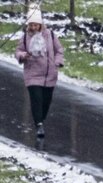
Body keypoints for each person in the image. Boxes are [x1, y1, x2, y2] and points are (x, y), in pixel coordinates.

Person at [15, 8, 63, 138]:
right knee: (36, 99)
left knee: (46, 101)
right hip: (32, 74)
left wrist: (57, 62)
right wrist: (23, 55)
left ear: (40, 24)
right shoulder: (25, 37)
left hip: (49, 74)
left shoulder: (50, 35)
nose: (33, 27)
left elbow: (59, 50)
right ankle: (39, 125)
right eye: (31, 24)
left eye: (36, 24)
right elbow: (18, 51)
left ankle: (41, 119)